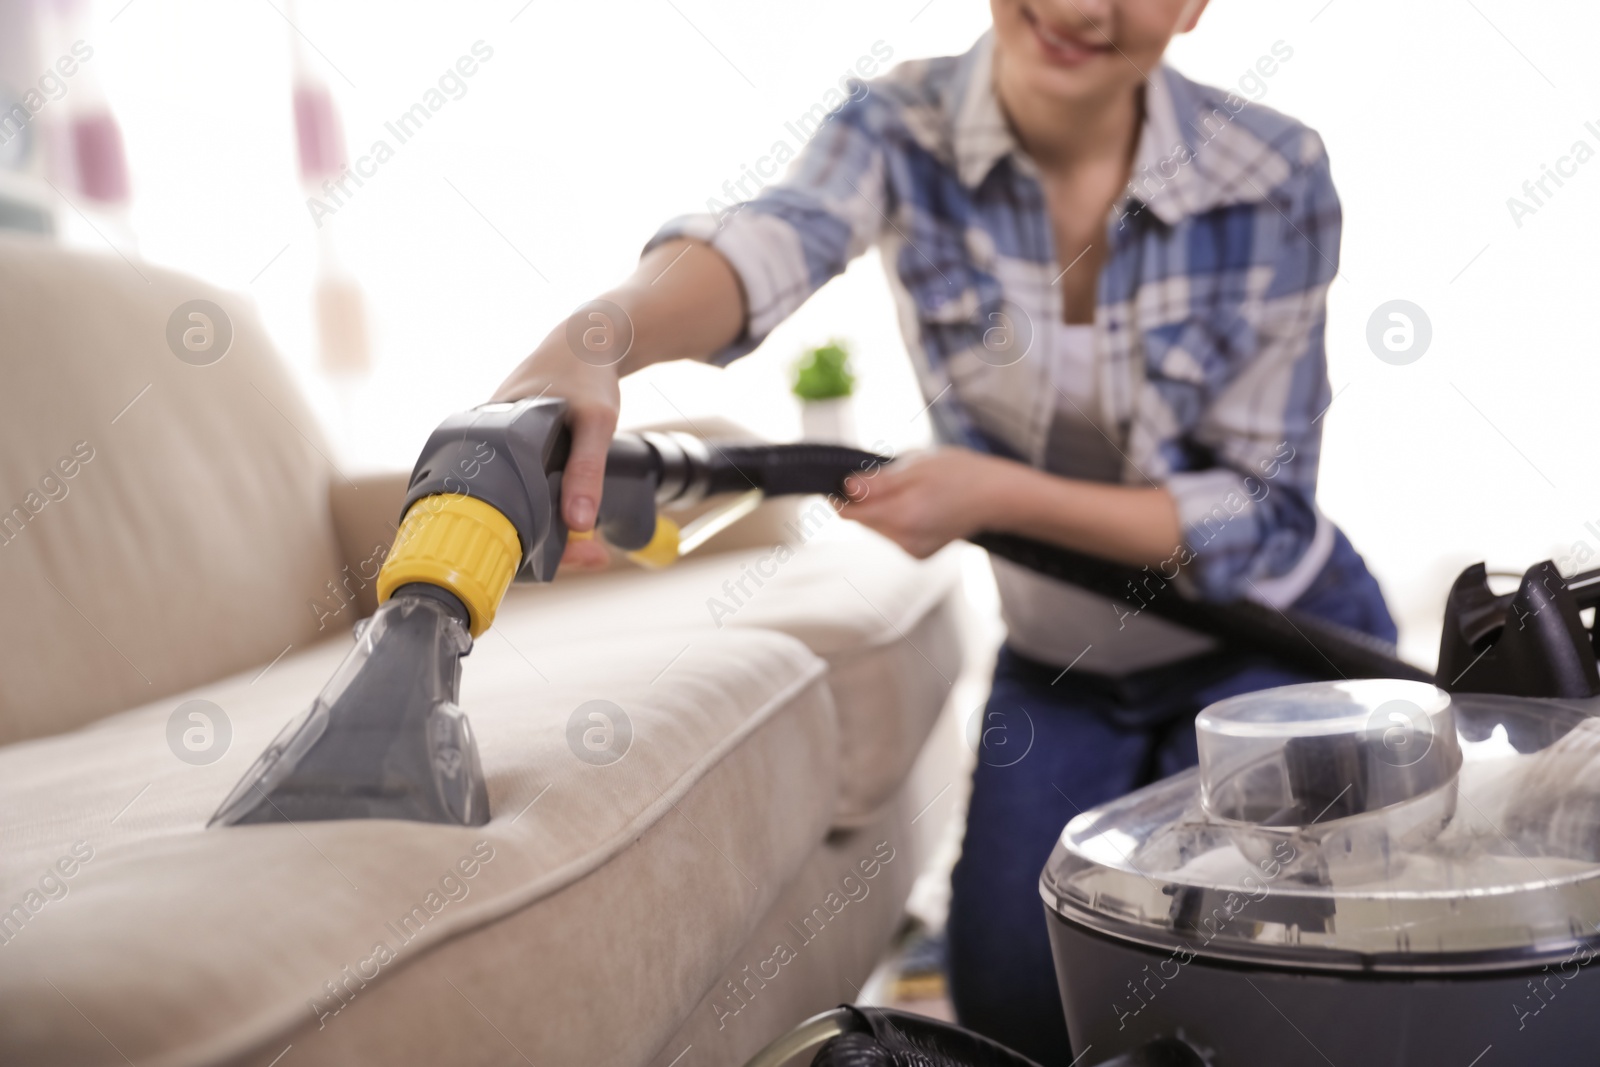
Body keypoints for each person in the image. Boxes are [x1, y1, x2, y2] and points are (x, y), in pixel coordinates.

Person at [493, 1, 1396, 1061]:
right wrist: (597, 336)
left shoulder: (1272, 169)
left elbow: (1254, 511)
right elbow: (770, 239)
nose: (1076, 8)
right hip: (1066, 661)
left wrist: (994, 495)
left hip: (1271, 640)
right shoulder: (896, 124)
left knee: (1286, 994)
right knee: (1015, 1004)